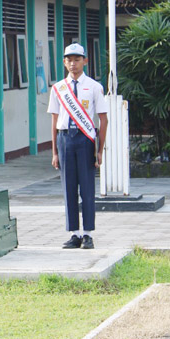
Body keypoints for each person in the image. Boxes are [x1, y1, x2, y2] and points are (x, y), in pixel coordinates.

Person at [48, 43, 109, 250]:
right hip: (65, 139)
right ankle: (74, 233)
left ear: (85, 61)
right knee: (69, 187)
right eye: (69, 60)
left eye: (77, 59)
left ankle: (88, 233)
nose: (73, 64)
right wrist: (54, 151)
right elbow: (54, 121)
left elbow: (103, 119)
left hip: (85, 140)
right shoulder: (58, 88)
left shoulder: (94, 87)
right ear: (64, 62)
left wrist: (100, 149)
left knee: (87, 188)